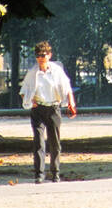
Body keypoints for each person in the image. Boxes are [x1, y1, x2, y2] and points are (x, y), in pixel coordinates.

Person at [19, 40, 77, 182]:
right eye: (38, 55)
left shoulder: (57, 71)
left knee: (54, 142)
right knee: (39, 142)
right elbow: (23, 90)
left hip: (53, 108)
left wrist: (71, 103)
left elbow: (67, 87)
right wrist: (31, 101)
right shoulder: (33, 72)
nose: (41, 58)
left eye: (43, 55)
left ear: (49, 55)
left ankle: (55, 172)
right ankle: (39, 174)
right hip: (38, 109)